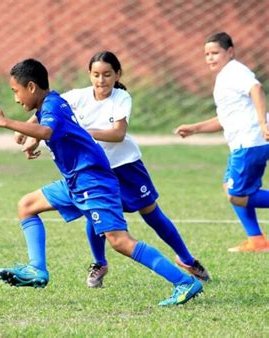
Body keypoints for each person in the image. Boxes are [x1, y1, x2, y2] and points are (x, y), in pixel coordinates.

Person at [0, 58, 203, 306]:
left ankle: (184, 282)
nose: (15, 98)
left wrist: (5, 122)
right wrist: (31, 137)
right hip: (76, 180)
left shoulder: (53, 105)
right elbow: (47, 130)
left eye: (16, 91)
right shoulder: (51, 103)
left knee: (120, 241)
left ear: (31, 87)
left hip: (93, 181)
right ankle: (37, 269)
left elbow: (47, 132)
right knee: (27, 205)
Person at [57, 51, 210, 288]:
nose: (101, 80)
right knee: (96, 215)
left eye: (107, 74)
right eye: (96, 75)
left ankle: (187, 260)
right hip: (95, 169)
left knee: (152, 214)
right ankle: (99, 263)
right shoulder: (78, 97)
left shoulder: (121, 98)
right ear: (89, 75)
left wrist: (82, 133)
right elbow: (49, 108)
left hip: (126, 166)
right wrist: (26, 132)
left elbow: (118, 134)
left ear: (117, 74)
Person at [175, 32, 269, 253]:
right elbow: (226, 118)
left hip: (250, 142)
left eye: (215, 52)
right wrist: (195, 128)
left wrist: (262, 123)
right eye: (207, 54)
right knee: (229, 185)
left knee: (237, 196)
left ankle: (257, 239)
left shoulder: (235, 71)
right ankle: (256, 240)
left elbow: (256, 89)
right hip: (243, 143)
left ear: (230, 51)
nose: (210, 58)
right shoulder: (225, 77)